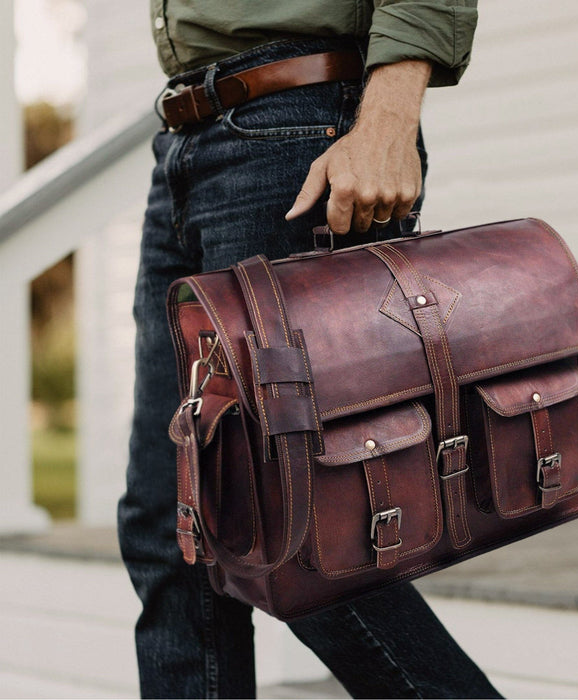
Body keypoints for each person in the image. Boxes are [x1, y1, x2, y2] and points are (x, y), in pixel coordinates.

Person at [118, 1, 502, 697]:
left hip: (293, 131)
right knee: (172, 529)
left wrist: (390, 118)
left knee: (299, 537)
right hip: (183, 140)